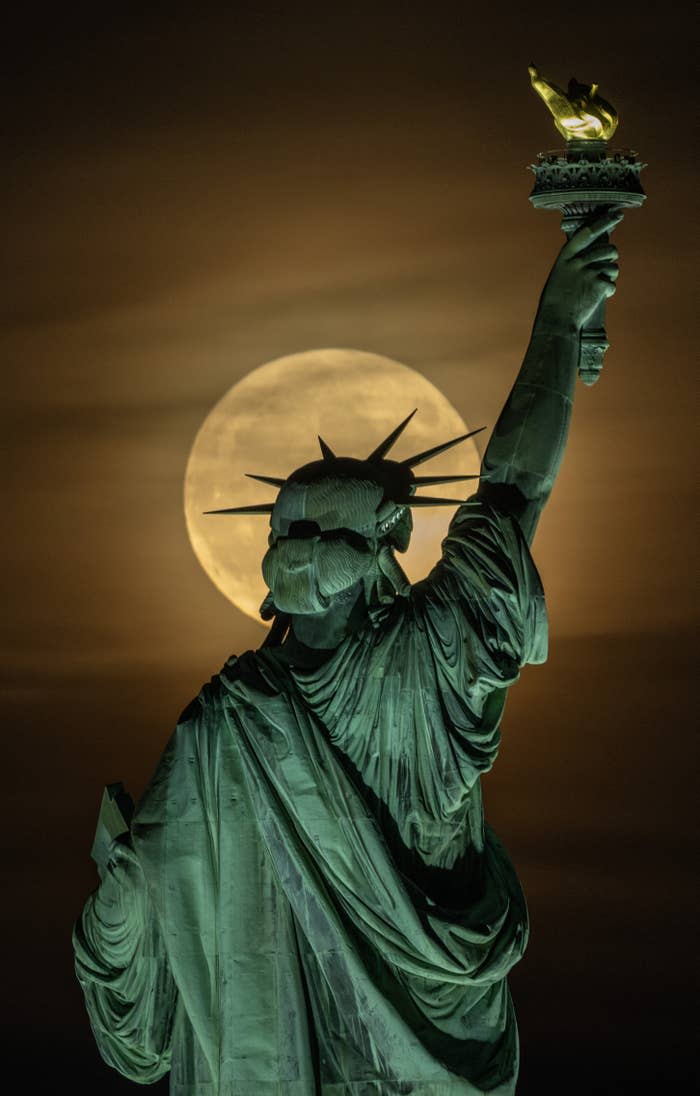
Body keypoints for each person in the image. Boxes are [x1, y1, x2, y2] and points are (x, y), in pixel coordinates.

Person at [74, 211, 622, 1094]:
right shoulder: (417, 667)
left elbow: (131, 947)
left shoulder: (228, 719)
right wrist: (556, 326)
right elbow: (516, 489)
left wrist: (123, 891)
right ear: (387, 546)